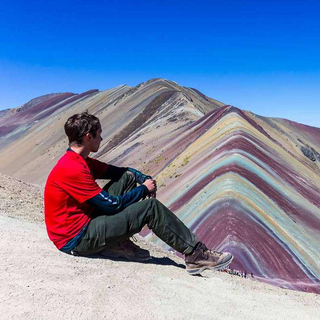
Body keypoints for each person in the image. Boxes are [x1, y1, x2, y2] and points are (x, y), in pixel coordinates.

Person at [44, 112, 233, 274]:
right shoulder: (73, 168)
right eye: (99, 134)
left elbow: (122, 173)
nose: (101, 139)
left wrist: (142, 178)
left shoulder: (79, 160)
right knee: (150, 208)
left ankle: (116, 242)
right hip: (76, 238)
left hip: (81, 224)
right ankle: (196, 255)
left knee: (126, 178)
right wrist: (144, 189)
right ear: (88, 136)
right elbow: (112, 205)